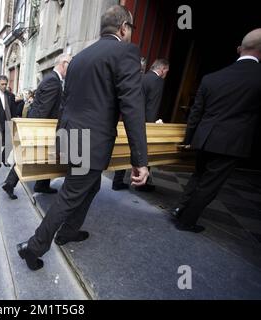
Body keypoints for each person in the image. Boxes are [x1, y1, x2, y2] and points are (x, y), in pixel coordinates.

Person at [17, 5, 149, 271]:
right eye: (131, 29)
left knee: (89, 187)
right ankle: (32, 247)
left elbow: (67, 102)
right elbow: (133, 108)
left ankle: (68, 232)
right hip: (92, 141)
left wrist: (60, 137)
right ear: (124, 27)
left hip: (71, 135)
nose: (131, 34)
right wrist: (140, 160)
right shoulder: (126, 52)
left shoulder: (80, 57)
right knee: (71, 194)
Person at [171, 28, 261, 233]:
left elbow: (195, 113)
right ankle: (186, 221)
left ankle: (180, 209)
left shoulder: (212, 77)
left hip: (204, 138)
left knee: (198, 177)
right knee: (209, 185)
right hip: (232, 143)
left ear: (239, 49)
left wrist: (189, 139)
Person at [2, 53, 72, 200]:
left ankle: (42, 185)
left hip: (44, 126)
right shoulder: (53, 81)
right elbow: (44, 109)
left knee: (45, 157)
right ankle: (10, 183)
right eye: (69, 65)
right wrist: (39, 131)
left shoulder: (52, 79)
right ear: (63, 63)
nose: (70, 68)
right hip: (42, 126)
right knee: (28, 156)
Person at [112, 58, 170, 192]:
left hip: (129, 118)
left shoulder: (141, 78)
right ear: (162, 70)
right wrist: (151, 126)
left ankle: (117, 180)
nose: (166, 73)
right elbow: (152, 106)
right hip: (143, 122)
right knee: (144, 151)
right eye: (167, 71)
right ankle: (141, 183)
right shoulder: (157, 81)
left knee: (125, 149)